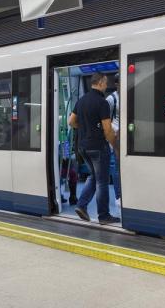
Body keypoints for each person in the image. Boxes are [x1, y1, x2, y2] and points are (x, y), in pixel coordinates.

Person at [68, 73, 120, 224]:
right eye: (105, 83)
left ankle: (81, 205)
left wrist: (85, 128)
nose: (106, 86)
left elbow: (71, 121)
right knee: (102, 181)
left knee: (94, 176)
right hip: (98, 147)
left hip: (83, 146)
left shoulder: (81, 100)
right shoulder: (102, 102)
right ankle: (104, 216)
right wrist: (115, 145)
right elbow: (108, 130)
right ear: (102, 82)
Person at [106, 74, 121, 205]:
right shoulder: (111, 99)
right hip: (116, 137)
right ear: (116, 84)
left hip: (127, 138)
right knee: (117, 167)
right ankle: (118, 196)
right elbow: (106, 120)